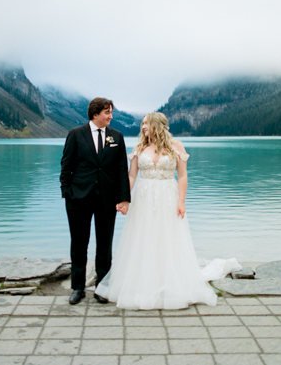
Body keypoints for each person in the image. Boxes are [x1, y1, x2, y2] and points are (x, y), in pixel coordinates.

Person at [95, 112, 238, 310]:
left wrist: (181, 201)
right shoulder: (139, 147)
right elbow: (131, 176)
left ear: (158, 125)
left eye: (147, 123)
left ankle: (170, 283)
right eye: (142, 123)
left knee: (167, 237)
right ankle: (141, 283)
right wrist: (124, 198)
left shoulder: (176, 147)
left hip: (167, 196)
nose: (143, 126)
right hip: (143, 197)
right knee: (142, 238)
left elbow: (183, 176)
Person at [60, 97, 131, 305]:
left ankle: (102, 287)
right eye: (107, 112)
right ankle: (78, 288)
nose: (111, 116)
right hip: (78, 199)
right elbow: (66, 166)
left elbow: (121, 170)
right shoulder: (75, 134)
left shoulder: (116, 136)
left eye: (111, 112)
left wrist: (124, 198)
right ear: (95, 114)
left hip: (108, 200)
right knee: (79, 244)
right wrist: (67, 193)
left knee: (104, 244)